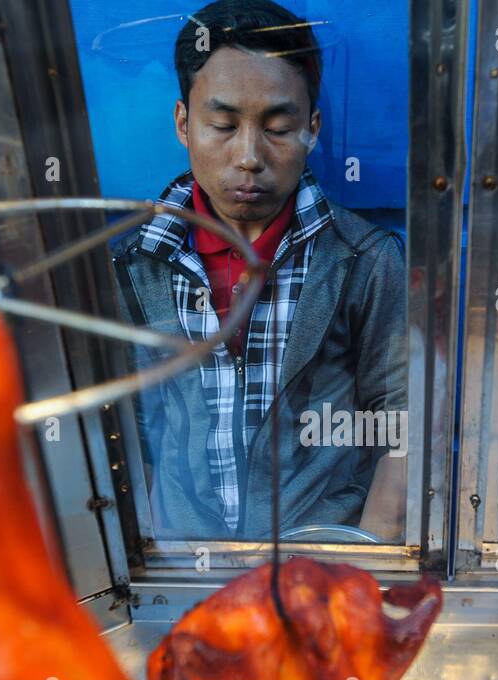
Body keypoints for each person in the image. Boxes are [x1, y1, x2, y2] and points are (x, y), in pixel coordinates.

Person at [112, 0, 407, 541]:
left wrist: (367, 565)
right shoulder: (135, 267)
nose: (248, 155)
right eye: (222, 125)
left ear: (312, 129)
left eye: (277, 127)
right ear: (183, 123)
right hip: (184, 573)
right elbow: (125, 429)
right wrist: (148, 559)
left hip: (322, 570)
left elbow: (403, 419)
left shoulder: (364, 260)